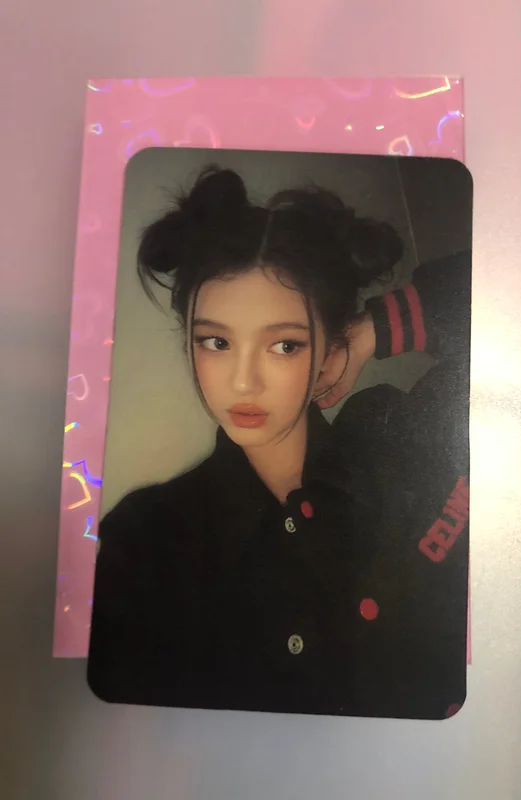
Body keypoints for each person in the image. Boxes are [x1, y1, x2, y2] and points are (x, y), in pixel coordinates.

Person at [88, 165, 471, 720]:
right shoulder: (147, 540)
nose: (243, 383)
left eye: (285, 345)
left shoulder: (399, 438)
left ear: (328, 346)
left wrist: (371, 330)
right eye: (216, 342)